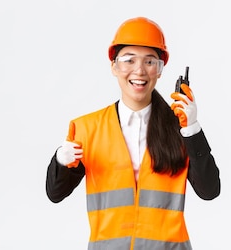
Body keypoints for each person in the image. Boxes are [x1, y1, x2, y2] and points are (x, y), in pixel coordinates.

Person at [45, 16, 221, 250]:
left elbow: (209, 191)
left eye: (150, 62)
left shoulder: (179, 128)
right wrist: (60, 160)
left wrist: (192, 129)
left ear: (159, 70)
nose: (139, 70)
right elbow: (55, 193)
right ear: (114, 66)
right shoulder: (87, 129)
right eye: (129, 60)